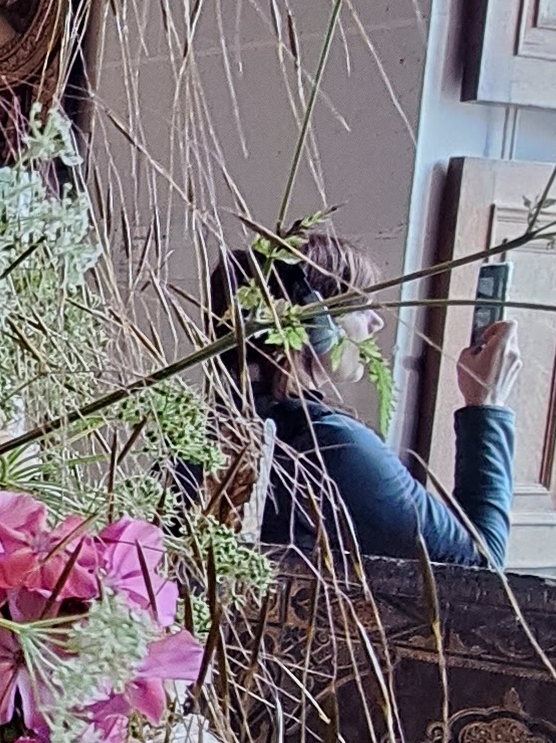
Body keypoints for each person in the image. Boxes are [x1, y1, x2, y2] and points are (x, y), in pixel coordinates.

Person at [214, 233, 515, 568]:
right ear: (316, 323)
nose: (377, 321)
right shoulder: (331, 444)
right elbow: (483, 567)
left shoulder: (212, 428)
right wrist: (486, 405)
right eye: (360, 306)